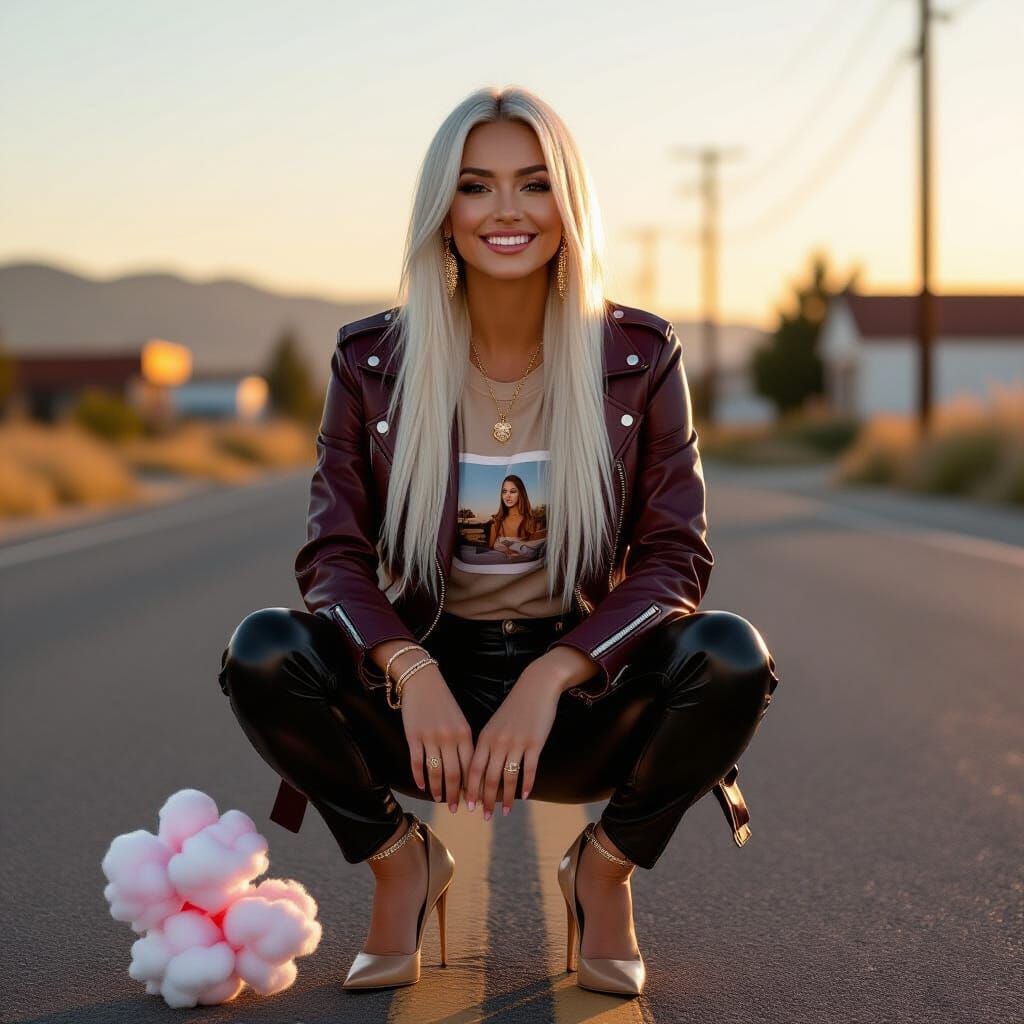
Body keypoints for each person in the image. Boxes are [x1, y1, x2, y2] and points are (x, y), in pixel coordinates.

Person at [217, 85, 780, 998]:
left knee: (730, 655)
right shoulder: (373, 364)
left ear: (569, 205)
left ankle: (600, 876)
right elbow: (335, 558)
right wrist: (410, 668)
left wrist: (554, 674)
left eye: (534, 183)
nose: (507, 212)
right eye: (477, 186)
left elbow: (676, 560)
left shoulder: (637, 356)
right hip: (430, 699)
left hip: (579, 694)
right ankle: (403, 868)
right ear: (444, 210)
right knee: (265, 649)